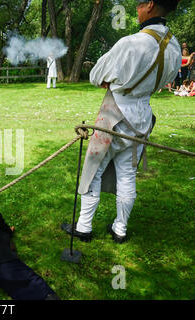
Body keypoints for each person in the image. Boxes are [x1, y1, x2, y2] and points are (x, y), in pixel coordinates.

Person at [61, 0, 182, 243]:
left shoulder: (132, 42)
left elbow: (96, 75)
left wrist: (113, 82)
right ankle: (120, 229)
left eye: (139, 4)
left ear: (149, 5)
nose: (136, 9)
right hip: (143, 116)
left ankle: (84, 227)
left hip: (114, 113)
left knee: (93, 172)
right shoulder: (175, 47)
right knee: (127, 174)